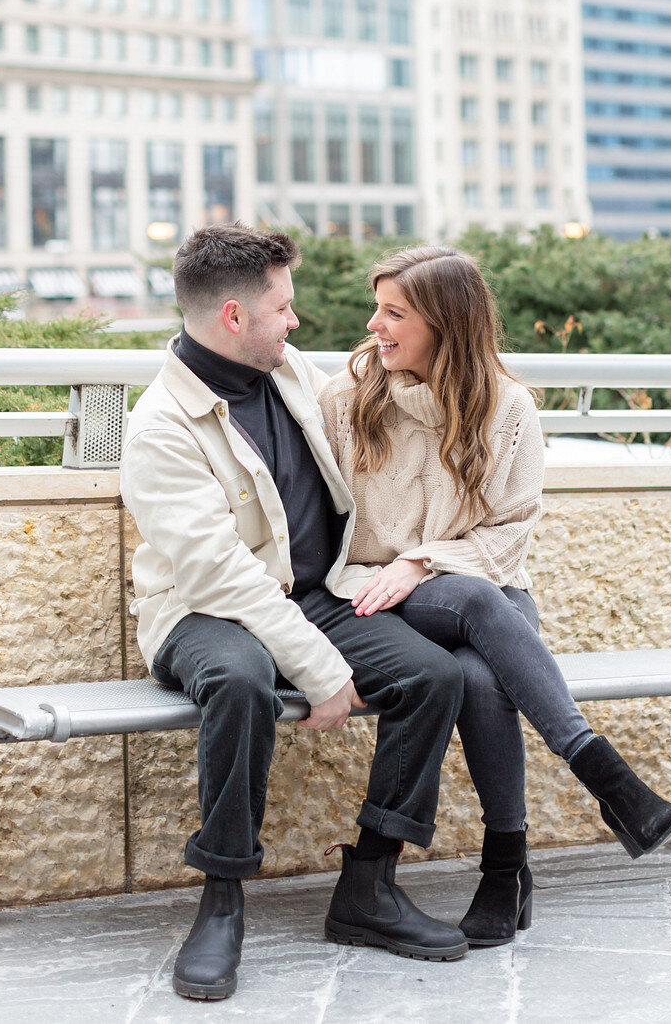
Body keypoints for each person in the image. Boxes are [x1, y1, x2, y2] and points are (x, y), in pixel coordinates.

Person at [120, 224, 469, 1003]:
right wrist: (317, 666)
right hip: (200, 611)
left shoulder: (290, 374)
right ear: (235, 316)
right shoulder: (159, 426)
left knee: (432, 676)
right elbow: (217, 574)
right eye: (284, 306)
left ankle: (369, 887)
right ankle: (221, 900)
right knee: (241, 681)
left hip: (311, 594)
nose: (297, 320)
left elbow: (396, 395)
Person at [318, 245, 671, 949]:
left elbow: (512, 527)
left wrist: (426, 562)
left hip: (480, 584)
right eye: (378, 309)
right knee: (481, 616)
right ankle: (608, 781)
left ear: (444, 322)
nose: (374, 325)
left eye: (393, 313)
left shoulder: (506, 405)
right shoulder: (346, 398)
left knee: (478, 672)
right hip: (375, 593)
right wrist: (407, 567)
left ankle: (505, 866)